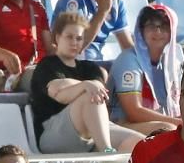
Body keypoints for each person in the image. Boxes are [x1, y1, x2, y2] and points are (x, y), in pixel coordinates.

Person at [31, 12, 144, 154]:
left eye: (79, 38)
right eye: (69, 37)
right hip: (53, 135)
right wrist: (85, 85)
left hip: (91, 132)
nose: (74, 42)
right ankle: (106, 152)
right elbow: (59, 94)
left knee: (140, 143)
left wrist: (80, 85)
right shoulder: (47, 65)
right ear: (58, 37)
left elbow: (99, 92)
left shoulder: (91, 68)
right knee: (89, 95)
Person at [110, 4, 183, 135]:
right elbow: (134, 112)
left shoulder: (174, 64)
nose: (158, 32)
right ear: (141, 31)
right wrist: (178, 123)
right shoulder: (129, 59)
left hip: (165, 122)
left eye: (164, 26)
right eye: (151, 26)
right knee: (168, 130)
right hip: (122, 124)